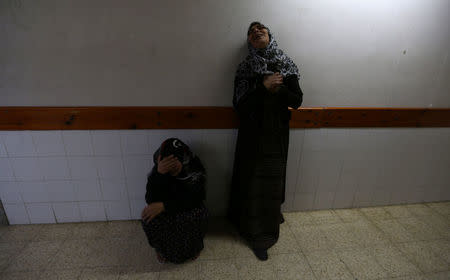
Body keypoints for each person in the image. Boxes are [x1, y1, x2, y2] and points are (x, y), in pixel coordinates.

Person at [228, 22, 303, 261]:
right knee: (250, 182)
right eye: (251, 31)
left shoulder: (286, 64)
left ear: (270, 35)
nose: (256, 31)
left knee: (270, 184)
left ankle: (264, 236)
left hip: (276, 135)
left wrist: (278, 90)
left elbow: (297, 100)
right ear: (249, 41)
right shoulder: (245, 68)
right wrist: (263, 86)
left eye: (261, 29)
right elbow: (240, 105)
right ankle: (248, 228)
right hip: (251, 136)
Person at [141, 138, 208, 264]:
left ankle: (196, 248)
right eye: (168, 162)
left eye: (176, 162)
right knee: (148, 218)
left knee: (201, 214)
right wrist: (159, 174)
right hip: (167, 209)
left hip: (185, 208)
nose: (172, 165)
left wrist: (165, 205)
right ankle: (160, 250)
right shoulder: (159, 167)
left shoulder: (193, 167)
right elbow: (150, 199)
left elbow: (196, 198)